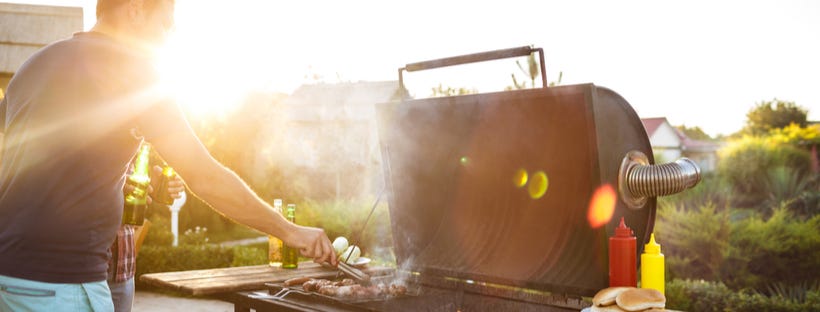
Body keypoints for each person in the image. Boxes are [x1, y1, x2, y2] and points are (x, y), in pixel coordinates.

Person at [0, 0, 337, 310]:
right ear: (134, 10)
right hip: (62, 285)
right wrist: (290, 231)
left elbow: (35, 164)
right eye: (165, 23)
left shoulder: (36, 64)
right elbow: (205, 177)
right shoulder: (135, 72)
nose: (170, 33)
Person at [107, 164, 185, 312]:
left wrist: (154, 189)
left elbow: (137, 206)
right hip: (86, 268)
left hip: (124, 267)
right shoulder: (82, 144)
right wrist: (112, 191)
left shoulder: (134, 149)